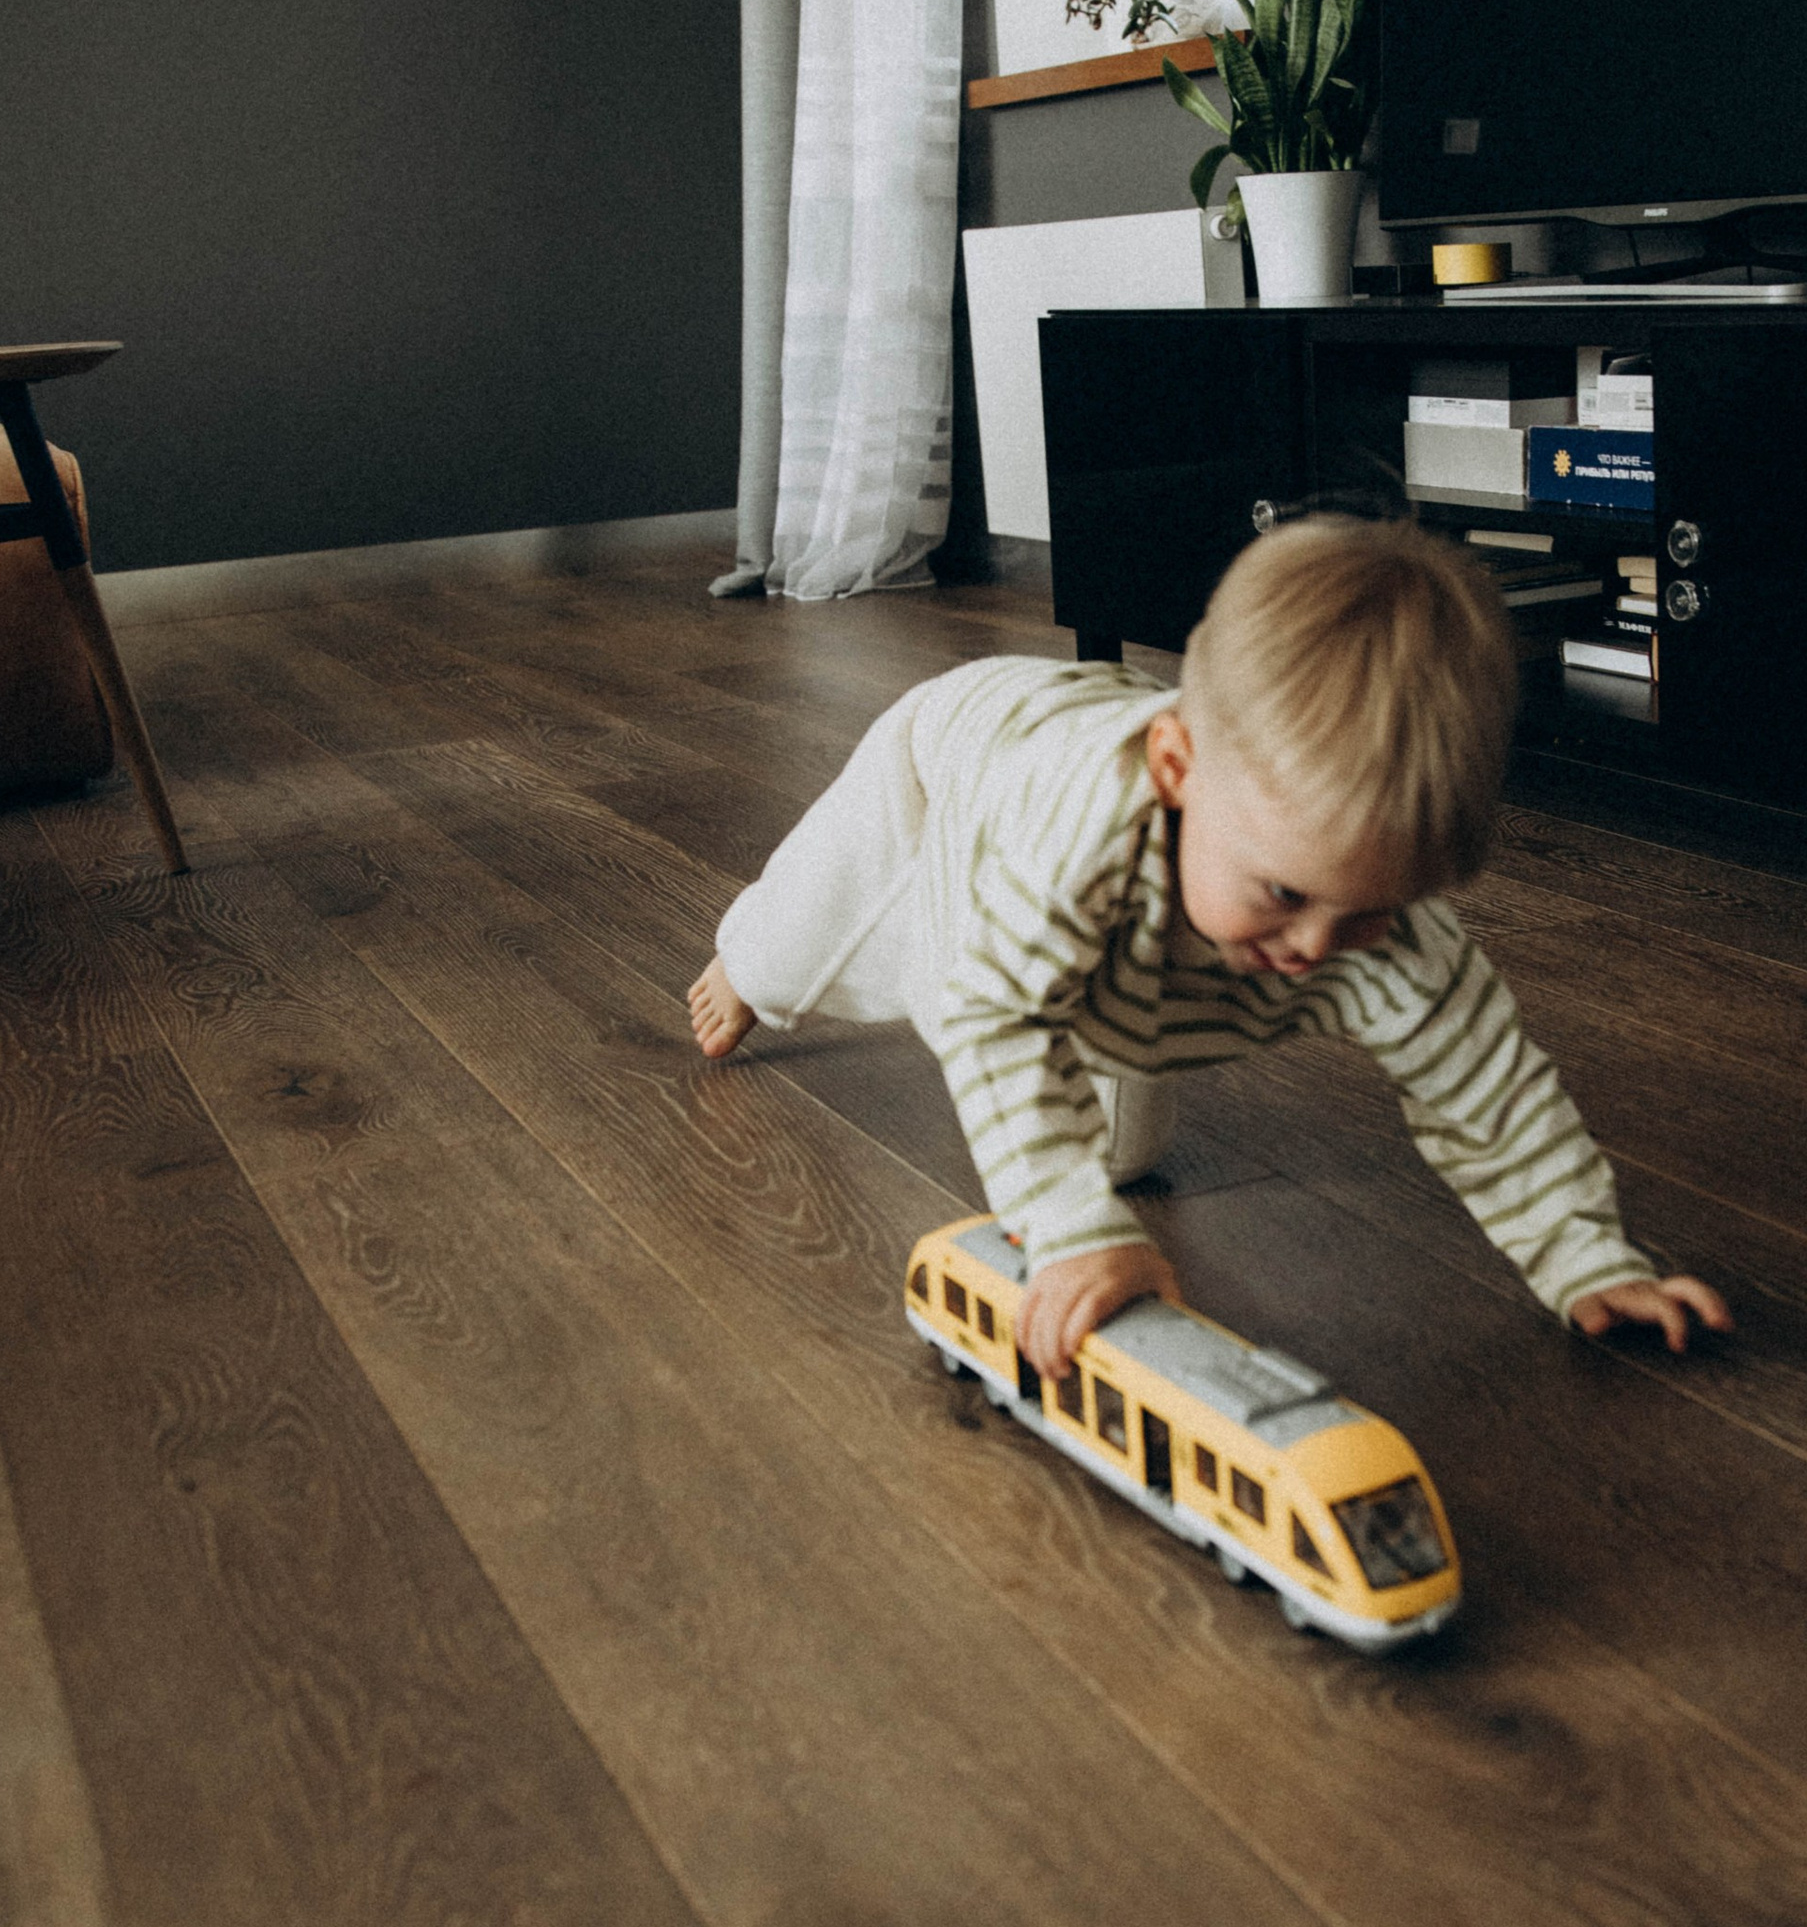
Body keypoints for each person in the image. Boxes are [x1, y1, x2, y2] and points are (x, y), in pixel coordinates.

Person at [687, 516, 1732, 1379]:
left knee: (1123, 1162)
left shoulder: (1380, 925)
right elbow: (989, 1013)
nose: (1318, 948)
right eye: (1285, 894)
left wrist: (1588, 1261)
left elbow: (1492, 1098)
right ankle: (741, 957)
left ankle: (1137, 1021)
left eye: (1368, 910)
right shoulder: (1076, 839)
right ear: (1175, 769)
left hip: (1142, 949)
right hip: (957, 763)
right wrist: (1067, 1229)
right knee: (805, 938)